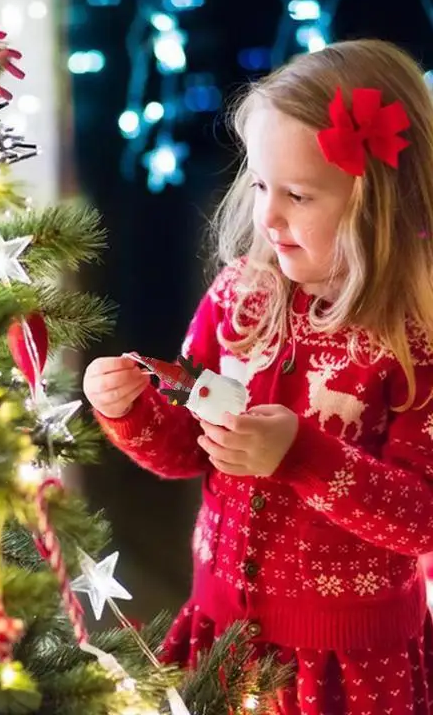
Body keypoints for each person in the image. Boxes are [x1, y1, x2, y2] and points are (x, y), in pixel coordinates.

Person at [84, 39, 433, 715]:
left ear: (381, 203)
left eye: (298, 195)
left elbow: (423, 517)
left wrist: (300, 454)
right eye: (261, 185)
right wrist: (131, 413)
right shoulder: (240, 295)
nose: (268, 217)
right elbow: (187, 445)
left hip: (349, 667)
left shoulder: (413, 340)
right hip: (223, 641)